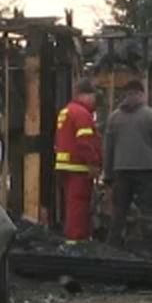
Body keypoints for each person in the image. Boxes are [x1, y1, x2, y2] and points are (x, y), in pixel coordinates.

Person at [102, 79, 152, 247]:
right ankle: (148, 246)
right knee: (147, 210)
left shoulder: (114, 118)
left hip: (121, 170)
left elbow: (108, 149)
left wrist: (108, 175)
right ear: (142, 94)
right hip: (147, 170)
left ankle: (113, 246)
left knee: (119, 212)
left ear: (125, 95)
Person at [54, 79, 102, 242]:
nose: (95, 101)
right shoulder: (82, 114)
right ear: (85, 95)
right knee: (79, 205)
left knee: (71, 203)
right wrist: (93, 163)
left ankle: (75, 238)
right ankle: (75, 242)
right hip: (78, 167)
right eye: (93, 97)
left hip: (65, 165)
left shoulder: (66, 111)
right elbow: (85, 142)